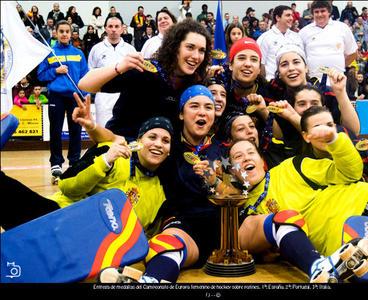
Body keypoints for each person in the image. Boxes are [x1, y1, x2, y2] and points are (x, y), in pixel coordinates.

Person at [0, 116, 174, 239]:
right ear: (139, 140)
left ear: (169, 151)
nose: (158, 144)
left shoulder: (161, 192)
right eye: (152, 137)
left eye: (165, 141)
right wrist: (105, 162)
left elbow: (144, 235)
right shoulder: (109, 151)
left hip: (91, 247)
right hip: (59, 218)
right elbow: (67, 185)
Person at [76, 19, 212, 143]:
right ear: (175, 47)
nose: (196, 56)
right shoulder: (144, 70)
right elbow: (85, 84)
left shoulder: (196, 84)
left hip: (161, 159)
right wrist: (119, 67)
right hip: (122, 151)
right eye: (190, 47)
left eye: (202, 51)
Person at [37, 20, 89, 182]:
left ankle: (74, 161)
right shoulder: (49, 53)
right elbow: (41, 75)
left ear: (71, 34)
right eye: (62, 31)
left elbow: (85, 76)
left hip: (75, 97)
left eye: (67, 31)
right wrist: (56, 71)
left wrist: (84, 95)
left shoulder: (79, 53)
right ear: (56, 33)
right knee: (55, 130)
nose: (65, 34)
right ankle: (56, 163)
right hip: (56, 97)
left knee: (75, 131)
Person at [87, 17, 136, 128]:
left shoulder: (130, 50)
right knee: (103, 132)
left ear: (122, 29)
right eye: (110, 26)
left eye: (116, 26)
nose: (113, 29)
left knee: (124, 134)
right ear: (105, 28)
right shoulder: (96, 49)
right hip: (103, 97)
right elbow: (91, 73)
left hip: (125, 97)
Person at [299, 0, 358, 82]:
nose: (319, 14)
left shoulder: (342, 28)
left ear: (329, 12)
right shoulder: (304, 32)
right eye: (316, 12)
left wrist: (339, 67)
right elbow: (300, 57)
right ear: (312, 13)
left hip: (337, 79)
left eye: (323, 11)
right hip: (313, 80)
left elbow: (353, 53)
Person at [256, 5, 303, 81]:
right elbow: (261, 64)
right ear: (278, 18)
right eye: (288, 15)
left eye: (292, 15)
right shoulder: (264, 38)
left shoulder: (297, 37)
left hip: (294, 82)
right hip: (273, 83)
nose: (291, 18)